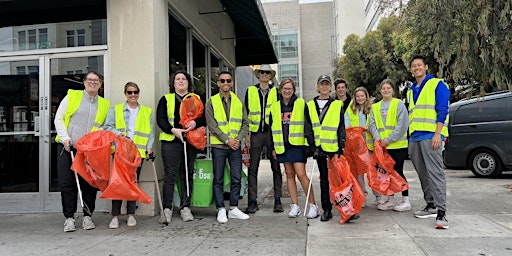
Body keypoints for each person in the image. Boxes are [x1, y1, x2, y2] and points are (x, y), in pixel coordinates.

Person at [54, 71, 110, 232]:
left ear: (100, 84)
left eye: (97, 80)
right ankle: (69, 218)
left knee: (89, 184)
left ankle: (87, 216)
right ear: (84, 82)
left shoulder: (104, 104)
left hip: (89, 151)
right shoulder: (72, 97)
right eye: (90, 80)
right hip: (68, 148)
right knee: (68, 183)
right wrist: (65, 138)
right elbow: (59, 118)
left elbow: (105, 126)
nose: (93, 83)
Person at [103, 82, 154, 228]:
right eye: (130, 92)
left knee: (132, 183)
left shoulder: (146, 111)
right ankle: (115, 216)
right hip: (120, 151)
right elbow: (108, 126)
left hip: (137, 152)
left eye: (135, 92)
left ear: (139, 93)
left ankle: (131, 214)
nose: (133, 95)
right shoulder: (117, 109)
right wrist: (122, 135)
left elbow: (150, 131)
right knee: (118, 183)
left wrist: (149, 147)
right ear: (125, 93)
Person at [407, 55, 450, 229]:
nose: (416, 68)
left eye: (419, 65)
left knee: (435, 174)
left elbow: (442, 110)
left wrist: (437, 134)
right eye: (413, 66)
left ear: (425, 67)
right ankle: (430, 205)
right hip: (415, 137)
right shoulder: (411, 90)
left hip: (431, 136)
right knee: (423, 174)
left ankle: (442, 213)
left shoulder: (437, 84)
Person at [157, 71, 205, 223]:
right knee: (170, 175)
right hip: (171, 141)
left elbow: (203, 117)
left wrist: (195, 123)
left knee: (187, 174)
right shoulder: (166, 99)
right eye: (178, 79)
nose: (181, 81)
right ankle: (167, 209)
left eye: (184, 79)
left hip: (189, 141)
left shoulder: (195, 99)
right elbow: (161, 119)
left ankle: (185, 207)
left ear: (188, 82)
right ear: (173, 83)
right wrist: (173, 130)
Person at [268, 78, 318, 218]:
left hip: (297, 146)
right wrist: (273, 148)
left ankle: (313, 205)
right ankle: (295, 205)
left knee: (301, 175)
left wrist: (311, 145)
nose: (287, 90)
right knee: (289, 175)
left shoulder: (301, 104)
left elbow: (308, 125)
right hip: (282, 146)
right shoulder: (275, 107)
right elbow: (271, 129)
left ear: (294, 90)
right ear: (280, 89)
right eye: (285, 88)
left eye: (290, 88)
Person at [205, 71, 250, 223]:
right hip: (219, 146)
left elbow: (245, 123)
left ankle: (233, 208)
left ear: (232, 83)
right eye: (222, 80)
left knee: (236, 178)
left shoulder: (238, 102)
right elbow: (212, 125)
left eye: (228, 80)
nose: (225, 83)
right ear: (218, 83)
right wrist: (226, 140)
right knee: (218, 178)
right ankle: (220, 209)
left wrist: (237, 139)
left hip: (235, 146)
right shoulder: (211, 102)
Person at [244, 64, 283, 213]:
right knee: (253, 168)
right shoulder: (251, 91)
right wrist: (246, 134)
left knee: (276, 167)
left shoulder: (276, 91)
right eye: (262, 72)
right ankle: (252, 201)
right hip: (255, 134)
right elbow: (246, 113)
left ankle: (277, 200)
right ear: (258, 75)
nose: (265, 75)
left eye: (268, 73)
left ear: (270, 75)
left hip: (272, 134)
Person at [306, 74, 346, 222]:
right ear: (318, 87)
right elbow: (308, 127)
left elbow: (341, 126)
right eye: (321, 84)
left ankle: (344, 207)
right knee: (324, 180)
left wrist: (342, 144)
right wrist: (312, 147)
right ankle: (326, 209)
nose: (324, 87)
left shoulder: (337, 105)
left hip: (333, 148)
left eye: (326, 84)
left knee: (339, 179)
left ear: (330, 87)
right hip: (319, 149)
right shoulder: (310, 105)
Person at [368, 79, 410, 211]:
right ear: (380, 91)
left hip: (397, 145)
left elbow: (402, 125)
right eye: (383, 88)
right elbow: (372, 124)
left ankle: (406, 200)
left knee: (398, 172)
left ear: (393, 90)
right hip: (382, 147)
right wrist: (378, 138)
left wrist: (389, 140)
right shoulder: (375, 107)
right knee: (385, 174)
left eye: (388, 88)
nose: (386, 90)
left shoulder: (399, 104)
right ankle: (390, 199)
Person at [343, 87, 373, 206]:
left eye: (362, 96)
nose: (360, 98)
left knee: (372, 171)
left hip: (370, 141)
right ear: (355, 98)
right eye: (358, 96)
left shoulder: (372, 109)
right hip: (356, 143)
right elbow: (347, 125)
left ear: (366, 96)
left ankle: (378, 197)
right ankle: (362, 196)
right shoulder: (350, 109)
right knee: (359, 172)